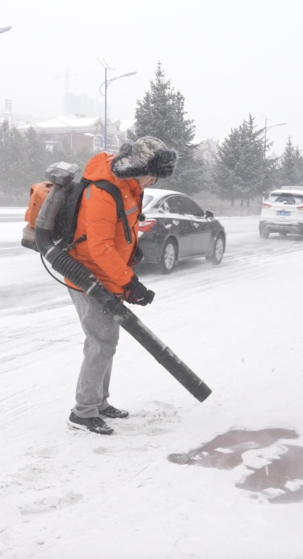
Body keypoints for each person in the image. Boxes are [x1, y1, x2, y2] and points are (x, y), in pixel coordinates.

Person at [65, 137, 177, 435]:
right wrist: (130, 283)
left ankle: (99, 403)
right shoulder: (104, 190)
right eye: (153, 174)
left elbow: (120, 231)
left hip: (106, 273)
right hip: (86, 274)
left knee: (107, 341)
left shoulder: (130, 187)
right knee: (101, 343)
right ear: (140, 167)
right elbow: (100, 248)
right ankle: (84, 411)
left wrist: (131, 255)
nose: (153, 181)